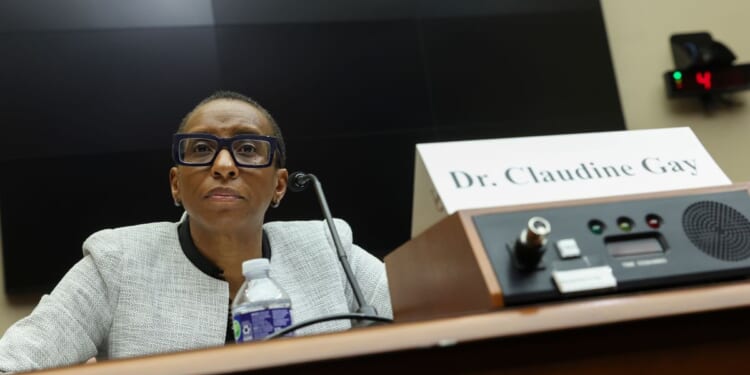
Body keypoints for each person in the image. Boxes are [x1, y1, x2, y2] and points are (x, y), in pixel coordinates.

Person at [0, 91, 393, 372]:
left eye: (249, 148)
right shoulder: (117, 262)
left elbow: (438, 321)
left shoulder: (329, 250)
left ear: (279, 185)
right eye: (202, 149)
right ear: (176, 184)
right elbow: (12, 362)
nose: (223, 165)